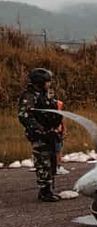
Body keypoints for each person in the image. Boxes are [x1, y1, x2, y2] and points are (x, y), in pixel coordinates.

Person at [17, 68, 64, 202]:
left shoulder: (45, 94)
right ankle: (44, 191)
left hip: (51, 132)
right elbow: (25, 116)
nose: (49, 84)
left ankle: (48, 188)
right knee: (43, 161)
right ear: (39, 82)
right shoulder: (29, 96)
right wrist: (40, 130)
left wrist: (56, 126)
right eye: (47, 81)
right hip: (39, 135)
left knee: (52, 161)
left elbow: (54, 109)